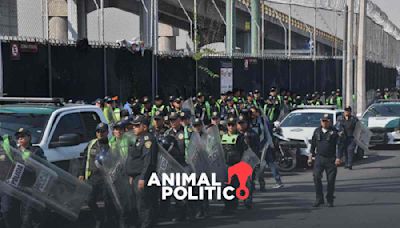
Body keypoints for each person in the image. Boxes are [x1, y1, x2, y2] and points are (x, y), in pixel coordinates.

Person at [79, 123, 116, 228]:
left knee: (107, 202)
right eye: (98, 131)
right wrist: (81, 174)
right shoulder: (92, 144)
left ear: (107, 132)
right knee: (90, 200)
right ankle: (99, 217)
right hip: (93, 177)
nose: (100, 134)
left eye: (103, 131)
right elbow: (85, 159)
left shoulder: (111, 145)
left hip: (106, 178)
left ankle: (107, 223)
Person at [126, 115, 158, 228]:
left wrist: (143, 177)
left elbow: (148, 161)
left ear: (144, 127)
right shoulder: (138, 139)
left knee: (144, 205)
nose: (134, 127)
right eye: (133, 125)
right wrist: (131, 174)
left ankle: (147, 225)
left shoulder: (147, 139)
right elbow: (134, 159)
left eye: (137, 125)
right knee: (136, 204)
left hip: (143, 177)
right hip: (136, 176)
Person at [308, 114, 341, 208]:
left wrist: (338, 157)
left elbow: (339, 145)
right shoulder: (317, 131)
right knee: (316, 177)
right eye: (323, 121)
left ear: (330, 122)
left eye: (326, 121)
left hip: (331, 159)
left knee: (331, 181)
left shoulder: (334, 132)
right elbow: (313, 145)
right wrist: (310, 157)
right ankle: (319, 198)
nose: (324, 123)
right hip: (319, 158)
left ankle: (330, 199)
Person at [221, 117, 246, 213]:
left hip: (236, 164)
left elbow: (244, 151)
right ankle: (227, 205)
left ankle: (233, 205)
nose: (231, 127)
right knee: (225, 186)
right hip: (225, 164)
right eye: (229, 125)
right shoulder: (223, 136)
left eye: (233, 125)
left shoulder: (240, 137)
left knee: (234, 186)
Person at [237, 114, 260, 209]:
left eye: (243, 123)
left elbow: (255, 149)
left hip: (248, 162)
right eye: (239, 123)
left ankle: (248, 199)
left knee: (248, 182)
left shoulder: (252, 134)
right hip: (236, 161)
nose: (241, 125)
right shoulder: (235, 134)